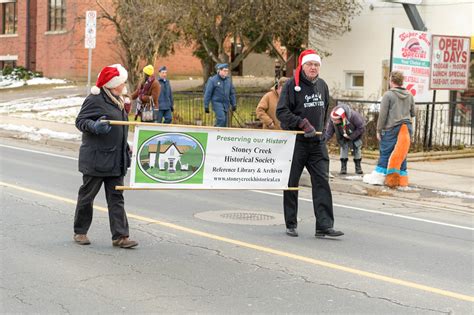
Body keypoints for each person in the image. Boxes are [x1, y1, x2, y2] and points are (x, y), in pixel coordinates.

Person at [276, 49, 344, 238]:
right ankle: (291, 223)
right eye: (310, 64)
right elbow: (281, 112)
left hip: (317, 143)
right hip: (296, 142)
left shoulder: (322, 85)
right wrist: (302, 124)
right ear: (303, 66)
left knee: (322, 181)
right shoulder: (291, 86)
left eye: (316, 65)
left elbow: (324, 110)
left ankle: (324, 225)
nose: (313, 68)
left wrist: (322, 131)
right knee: (291, 183)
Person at [74, 64, 138, 248]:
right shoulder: (95, 99)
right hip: (96, 159)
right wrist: (95, 126)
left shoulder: (119, 100)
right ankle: (80, 231)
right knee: (87, 197)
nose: (124, 85)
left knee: (116, 198)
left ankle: (120, 236)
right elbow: (81, 121)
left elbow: (119, 128)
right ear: (113, 84)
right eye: (122, 82)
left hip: (116, 159)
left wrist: (125, 146)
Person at [363, 71, 415, 188]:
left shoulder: (388, 95)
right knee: (401, 153)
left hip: (392, 127)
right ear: (402, 81)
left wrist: (378, 130)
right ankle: (402, 180)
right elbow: (413, 113)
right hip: (406, 127)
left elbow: (383, 115)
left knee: (386, 151)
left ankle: (379, 177)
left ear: (391, 81)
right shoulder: (409, 95)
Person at [324, 104, 365, 175]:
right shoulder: (333, 118)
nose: (333, 122)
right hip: (342, 136)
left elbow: (361, 128)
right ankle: (343, 168)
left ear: (341, 118)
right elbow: (329, 132)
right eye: (332, 120)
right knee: (343, 148)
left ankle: (358, 168)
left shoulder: (354, 116)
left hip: (355, 134)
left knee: (357, 149)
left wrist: (351, 136)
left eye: (335, 120)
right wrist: (323, 141)